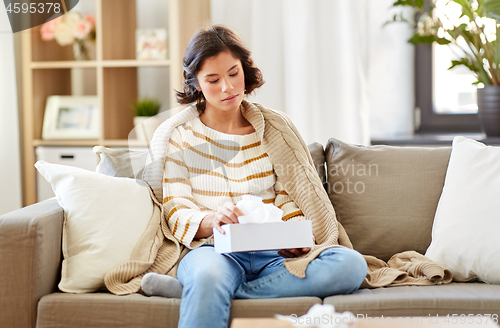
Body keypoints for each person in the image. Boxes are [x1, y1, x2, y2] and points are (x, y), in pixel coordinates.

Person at [140, 25, 368, 328]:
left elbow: (288, 195)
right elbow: (174, 207)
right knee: (208, 275)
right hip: (212, 250)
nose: (227, 87)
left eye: (234, 73)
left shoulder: (272, 130)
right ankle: (206, 285)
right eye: (213, 79)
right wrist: (212, 221)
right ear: (195, 83)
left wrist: (294, 237)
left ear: (245, 69)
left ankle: (206, 292)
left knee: (350, 265)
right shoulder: (180, 137)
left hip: (272, 253)